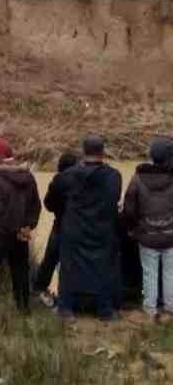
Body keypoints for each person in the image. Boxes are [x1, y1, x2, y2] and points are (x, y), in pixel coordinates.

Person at [54, 135, 123, 322]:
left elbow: (51, 200)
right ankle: (104, 310)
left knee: (69, 268)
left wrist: (66, 213)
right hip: (102, 228)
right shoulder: (113, 176)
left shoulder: (67, 176)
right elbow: (113, 201)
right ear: (103, 151)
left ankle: (66, 309)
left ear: (83, 151)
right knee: (103, 267)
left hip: (74, 228)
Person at [0, 137, 42, 313]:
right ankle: (23, 308)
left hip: (2, 232)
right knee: (21, 271)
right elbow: (36, 205)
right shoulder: (28, 175)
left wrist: (10, 228)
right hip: (22, 233)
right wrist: (27, 227)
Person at [122, 137, 173, 321]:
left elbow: (129, 208)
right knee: (170, 273)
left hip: (146, 235)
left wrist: (132, 228)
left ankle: (150, 310)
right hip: (170, 235)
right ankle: (170, 309)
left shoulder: (137, 178)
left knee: (150, 273)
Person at [32, 152, 79, 307]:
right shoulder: (85, 180)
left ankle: (39, 290)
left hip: (60, 226)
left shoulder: (58, 181)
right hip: (82, 228)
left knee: (49, 261)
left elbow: (48, 204)